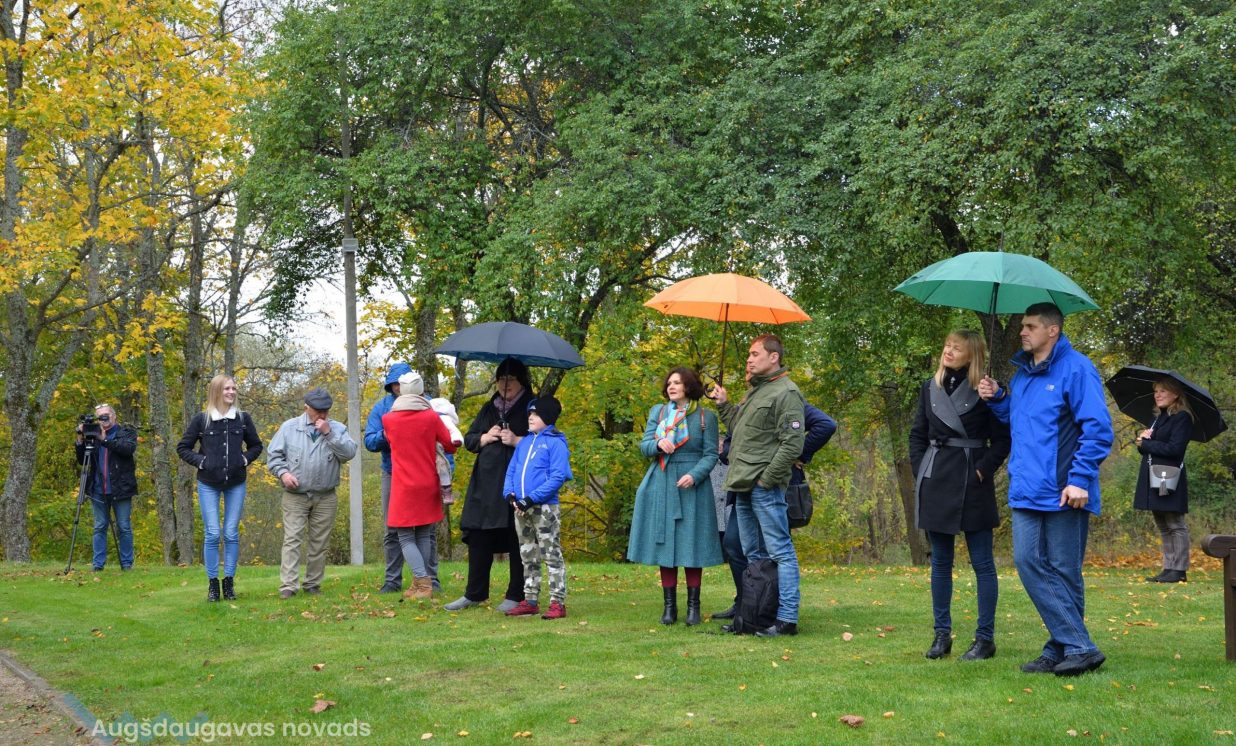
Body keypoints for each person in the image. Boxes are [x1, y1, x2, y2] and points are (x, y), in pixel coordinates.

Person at [979, 302, 1113, 676]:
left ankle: (1062, 649)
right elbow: (1020, 421)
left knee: (1064, 572)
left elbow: (1098, 429)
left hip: (1065, 489)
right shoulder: (1022, 375)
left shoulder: (1077, 369)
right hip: (1027, 487)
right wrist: (1000, 399)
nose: (1023, 332)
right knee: (1027, 562)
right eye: (1023, 326)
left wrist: (1080, 479)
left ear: (1052, 330)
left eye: (1030, 326)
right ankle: (1076, 646)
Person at [909, 330, 1011, 661]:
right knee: (940, 561)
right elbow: (917, 435)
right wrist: (922, 470)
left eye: (957, 347)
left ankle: (985, 638)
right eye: (947, 345)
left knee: (982, 562)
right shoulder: (930, 387)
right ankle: (941, 635)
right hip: (936, 479)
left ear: (972, 354)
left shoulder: (986, 389)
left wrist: (982, 470)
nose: (948, 351)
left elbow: (1003, 439)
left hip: (972, 481)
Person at [711, 334, 807, 637]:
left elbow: (792, 444)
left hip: (763, 486)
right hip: (742, 483)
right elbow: (739, 430)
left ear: (773, 357)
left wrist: (767, 479)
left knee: (780, 552)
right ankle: (757, 615)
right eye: (749, 355)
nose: (749, 360)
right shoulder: (756, 391)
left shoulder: (787, 392)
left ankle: (786, 619)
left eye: (755, 354)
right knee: (753, 553)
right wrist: (724, 405)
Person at [713, 397, 837, 622]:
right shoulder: (749, 403)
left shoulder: (786, 399)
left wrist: (798, 454)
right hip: (745, 487)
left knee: (774, 550)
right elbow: (732, 443)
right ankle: (747, 602)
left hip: (774, 487)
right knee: (734, 544)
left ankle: (774, 610)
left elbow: (826, 425)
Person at [627, 367, 723, 626]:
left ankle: (694, 607)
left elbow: (711, 454)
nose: (671, 387)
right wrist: (658, 444)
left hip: (693, 486)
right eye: (669, 383)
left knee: (692, 544)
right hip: (662, 480)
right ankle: (669, 607)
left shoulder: (705, 417)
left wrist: (695, 475)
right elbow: (644, 447)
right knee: (665, 544)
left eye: (677, 383)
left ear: (689, 386)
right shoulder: (658, 413)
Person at [443, 358, 534, 613]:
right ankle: (474, 593)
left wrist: (517, 440)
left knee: (516, 536)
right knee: (479, 536)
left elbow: (544, 443)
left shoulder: (532, 407)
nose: (505, 384)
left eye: (511, 379)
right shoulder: (489, 407)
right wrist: (485, 437)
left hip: (517, 483)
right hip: (485, 484)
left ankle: (516, 594)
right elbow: (470, 439)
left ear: (521, 381)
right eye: (501, 379)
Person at [177, 375, 263, 602]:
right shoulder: (202, 420)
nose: (231, 392)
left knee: (231, 533)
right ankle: (213, 585)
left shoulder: (243, 419)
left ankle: (229, 583)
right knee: (213, 533)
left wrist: (244, 459)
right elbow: (183, 447)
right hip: (208, 483)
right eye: (226, 388)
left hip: (236, 482)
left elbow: (256, 446)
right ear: (216, 391)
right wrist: (202, 462)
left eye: (234, 388)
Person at [267, 387, 359, 599]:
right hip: (295, 495)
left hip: (326, 495)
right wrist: (283, 474)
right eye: (318, 410)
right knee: (292, 539)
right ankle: (288, 586)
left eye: (326, 410)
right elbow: (274, 456)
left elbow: (349, 453)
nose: (323, 414)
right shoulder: (289, 428)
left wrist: (329, 433)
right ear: (306, 408)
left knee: (320, 542)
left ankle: (313, 585)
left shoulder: (337, 429)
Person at [382, 371, 457, 599]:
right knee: (424, 533)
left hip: (403, 484)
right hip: (428, 481)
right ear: (422, 390)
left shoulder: (388, 419)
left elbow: (390, 442)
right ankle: (423, 583)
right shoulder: (431, 417)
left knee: (405, 536)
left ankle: (422, 583)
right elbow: (450, 445)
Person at [502, 396, 573, 620]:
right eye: (530, 413)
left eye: (536, 414)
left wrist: (531, 498)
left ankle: (557, 602)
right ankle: (530, 600)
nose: (530, 417)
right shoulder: (524, 442)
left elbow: (558, 477)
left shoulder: (556, 443)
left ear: (548, 417)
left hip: (544, 508)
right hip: (521, 508)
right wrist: (510, 494)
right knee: (527, 554)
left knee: (551, 555)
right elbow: (512, 470)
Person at [1134, 377, 1195, 583]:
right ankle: (1169, 568)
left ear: (1175, 394)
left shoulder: (1182, 418)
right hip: (1154, 476)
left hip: (1169, 476)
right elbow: (1149, 448)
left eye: (1162, 391)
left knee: (1175, 523)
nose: (1157, 395)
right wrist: (1143, 440)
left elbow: (1175, 449)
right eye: (1156, 391)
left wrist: (1146, 445)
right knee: (1162, 523)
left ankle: (1179, 569)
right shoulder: (1158, 418)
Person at [364, 362, 413, 594]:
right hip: (392, 472)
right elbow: (370, 441)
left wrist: (446, 473)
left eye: (402, 383)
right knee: (392, 528)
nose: (398, 388)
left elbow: (443, 442)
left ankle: (429, 580)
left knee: (426, 530)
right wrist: (388, 433)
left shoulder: (427, 404)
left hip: (423, 473)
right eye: (395, 384)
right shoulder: (382, 407)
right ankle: (392, 581)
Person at [74, 404, 138, 571]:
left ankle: (127, 564)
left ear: (114, 416)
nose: (104, 419)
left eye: (107, 415)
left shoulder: (126, 432)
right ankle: (98, 565)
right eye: (100, 416)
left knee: (123, 526)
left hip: (121, 488)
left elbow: (127, 449)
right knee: (100, 526)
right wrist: (80, 438)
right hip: (97, 488)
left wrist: (105, 440)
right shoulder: (93, 434)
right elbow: (82, 460)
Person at [429, 397, 465, 506]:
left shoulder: (444, 419)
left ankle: (446, 490)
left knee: (443, 467)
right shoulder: (429, 419)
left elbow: (454, 432)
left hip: (443, 453)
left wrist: (456, 440)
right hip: (431, 452)